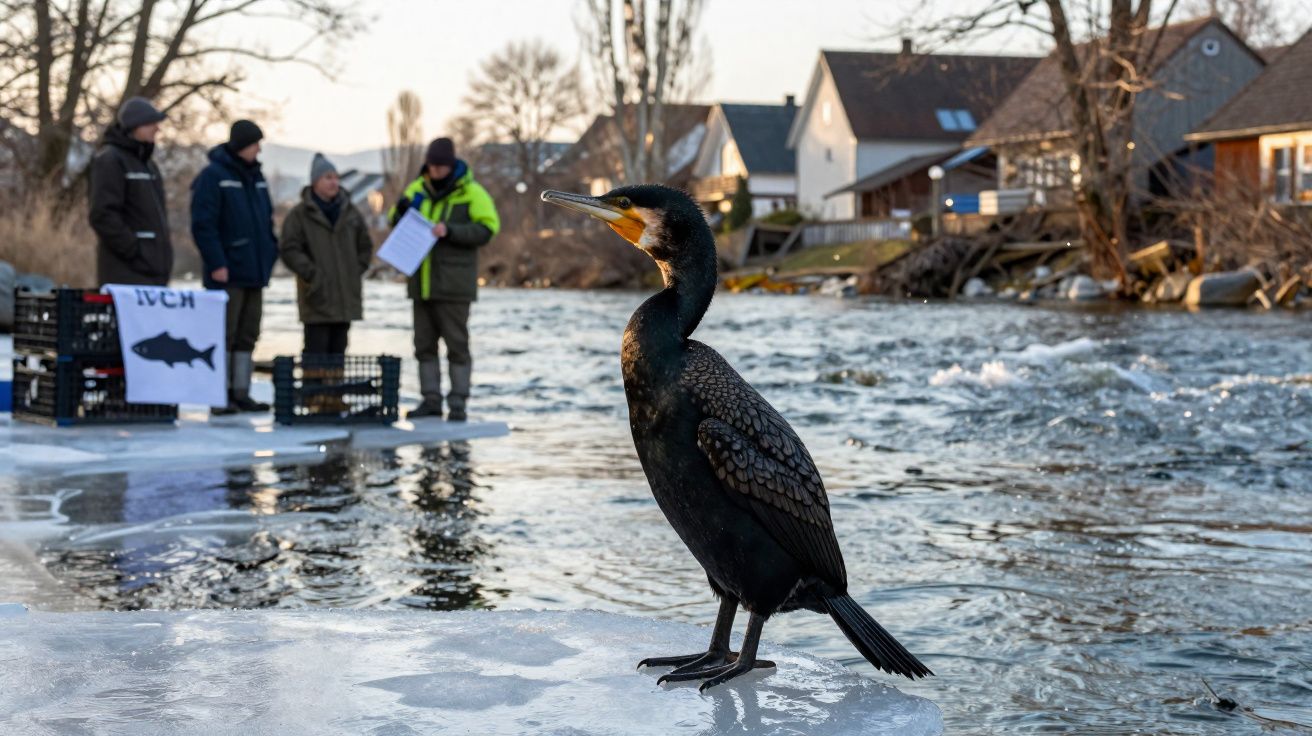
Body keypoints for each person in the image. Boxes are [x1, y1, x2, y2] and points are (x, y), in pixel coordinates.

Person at [389, 137, 500, 421]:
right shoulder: (417, 189)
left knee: (457, 346)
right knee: (423, 346)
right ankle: (431, 401)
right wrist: (399, 211)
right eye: (431, 166)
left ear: (450, 166)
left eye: (440, 166)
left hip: (455, 286)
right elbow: (394, 219)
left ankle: (459, 403)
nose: (435, 171)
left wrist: (450, 231)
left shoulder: (472, 193)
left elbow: (488, 229)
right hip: (421, 283)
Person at [190, 119, 278, 414]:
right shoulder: (213, 177)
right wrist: (216, 262)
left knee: (248, 333)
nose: (258, 150)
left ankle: (241, 392)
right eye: (255, 144)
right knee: (224, 334)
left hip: (255, 271)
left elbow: (266, 220)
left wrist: (269, 254)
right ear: (242, 145)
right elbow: (203, 225)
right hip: (227, 271)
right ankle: (220, 395)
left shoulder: (257, 177)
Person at [278, 153, 374, 354]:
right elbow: (289, 249)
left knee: (339, 352)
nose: (334, 182)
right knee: (316, 353)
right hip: (316, 298)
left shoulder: (350, 212)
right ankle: (314, 386)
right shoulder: (299, 215)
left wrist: (355, 271)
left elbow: (365, 246)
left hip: (345, 298)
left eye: (336, 177)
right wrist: (312, 275)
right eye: (328, 177)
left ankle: (334, 386)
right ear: (315, 181)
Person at [89, 97, 173, 286]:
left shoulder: (149, 165)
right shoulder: (110, 160)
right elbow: (102, 215)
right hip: (126, 274)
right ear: (136, 126)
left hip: (154, 273)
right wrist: (135, 250)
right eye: (151, 123)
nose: (157, 128)